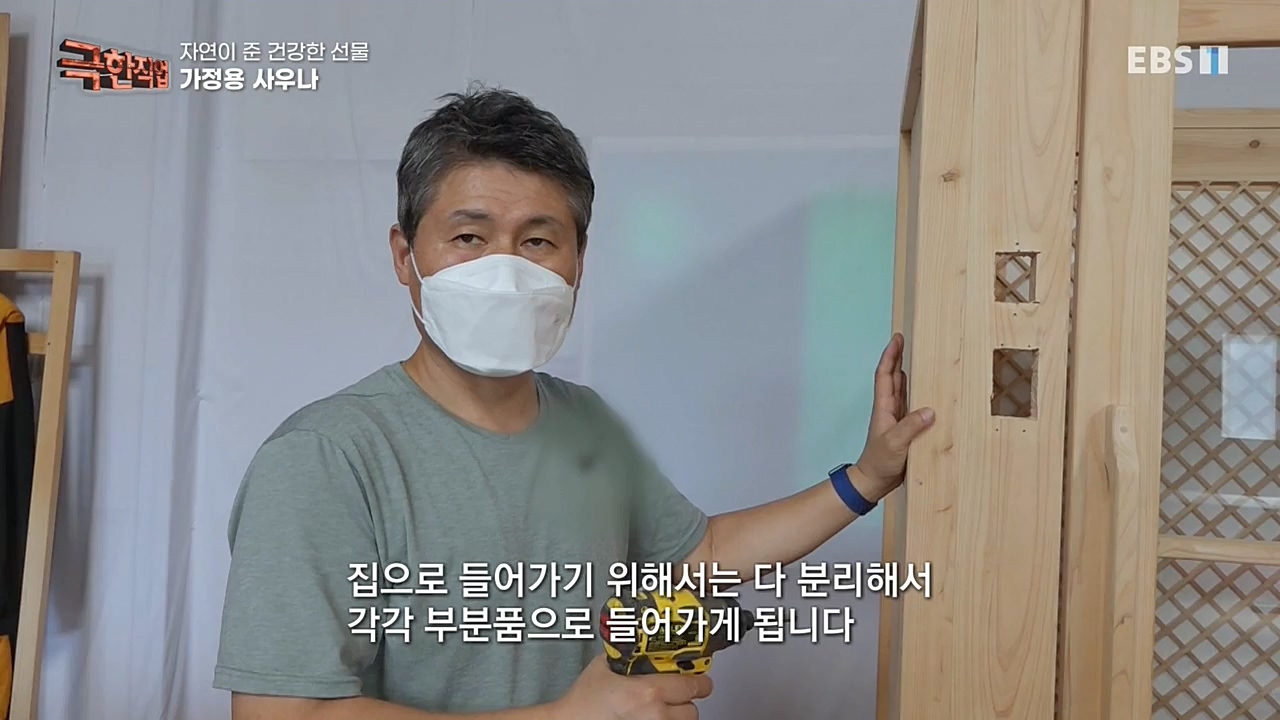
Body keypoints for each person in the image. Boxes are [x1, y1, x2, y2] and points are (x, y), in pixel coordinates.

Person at [214, 85, 935, 720]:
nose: (504, 271)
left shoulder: (585, 424)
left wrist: (866, 479)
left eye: (537, 240)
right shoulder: (325, 458)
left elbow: (702, 555)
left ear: (578, 262)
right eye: (469, 237)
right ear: (405, 256)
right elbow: (278, 712)